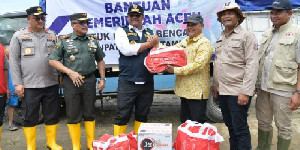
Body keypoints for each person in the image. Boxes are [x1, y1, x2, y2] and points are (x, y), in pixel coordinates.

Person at [49, 13, 106, 150]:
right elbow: (52, 61)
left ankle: (90, 144)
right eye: (82, 23)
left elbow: (100, 60)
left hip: (89, 80)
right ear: (73, 25)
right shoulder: (64, 40)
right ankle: (76, 145)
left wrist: (102, 78)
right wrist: (69, 72)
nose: (85, 25)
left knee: (90, 113)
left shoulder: (93, 41)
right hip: (71, 82)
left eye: (86, 22)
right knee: (73, 114)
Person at [9, 6, 62, 150]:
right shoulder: (19, 36)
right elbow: (13, 60)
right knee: (30, 117)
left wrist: (60, 78)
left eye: (43, 18)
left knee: (52, 115)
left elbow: (59, 58)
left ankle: (51, 142)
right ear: (29, 19)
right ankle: (31, 145)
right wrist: (17, 83)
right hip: (30, 85)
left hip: (51, 82)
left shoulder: (52, 34)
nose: (41, 21)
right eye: (36, 18)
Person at [212, 2, 259, 150]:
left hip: (238, 91)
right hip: (223, 91)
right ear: (220, 19)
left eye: (230, 13)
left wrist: (246, 91)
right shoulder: (221, 37)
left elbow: (252, 65)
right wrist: (216, 86)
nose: (226, 16)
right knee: (230, 127)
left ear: (238, 17)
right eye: (223, 14)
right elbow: (218, 64)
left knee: (240, 128)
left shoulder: (247, 36)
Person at [255, 0, 300, 149]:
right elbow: (262, 60)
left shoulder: (297, 33)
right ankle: (263, 147)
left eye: (278, 12)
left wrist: (298, 92)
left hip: (283, 89)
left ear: (290, 13)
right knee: (263, 122)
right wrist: (256, 84)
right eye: (272, 12)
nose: (273, 16)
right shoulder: (268, 32)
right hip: (263, 88)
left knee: (284, 126)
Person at [113, 4, 159, 136]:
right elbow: (127, 50)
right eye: (131, 15)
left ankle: (139, 142)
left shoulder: (150, 32)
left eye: (137, 15)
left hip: (147, 80)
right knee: (122, 114)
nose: (134, 18)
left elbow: (157, 51)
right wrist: (150, 44)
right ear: (127, 17)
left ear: (142, 17)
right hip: (128, 81)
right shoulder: (121, 31)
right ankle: (118, 143)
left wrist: (156, 43)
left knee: (143, 114)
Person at [166, 14, 213, 124]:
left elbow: (197, 65)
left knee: (196, 125)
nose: (190, 27)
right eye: (188, 25)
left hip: (196, 93)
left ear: (202, 26)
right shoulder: (185, 41)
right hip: (184, 91)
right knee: (185, 123)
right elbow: (172, 50)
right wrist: (156, 46)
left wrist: (175, 70)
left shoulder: (204, 44)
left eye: (193, 25)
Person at [4, 45, 19, 131]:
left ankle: (10, 123)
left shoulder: (15, 61)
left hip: (13, 85)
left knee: (12, 105)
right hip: (7, 86)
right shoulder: (5, 62)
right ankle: (9, 124)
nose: (10, 51)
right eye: (9, 50)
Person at [0, 42, 10, 150]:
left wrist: (7, 88)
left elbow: (5, 69)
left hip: (1, 90)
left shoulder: (1, 47)